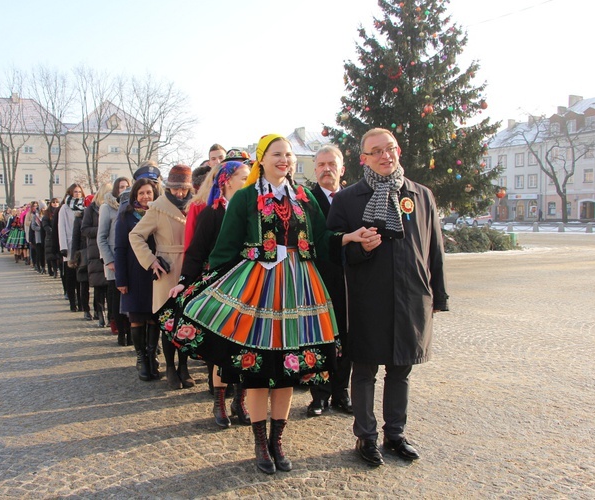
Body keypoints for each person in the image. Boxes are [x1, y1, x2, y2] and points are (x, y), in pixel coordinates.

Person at [171, 134, 373, 474]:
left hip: (299, 290)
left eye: (289, 155)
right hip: (258, 292)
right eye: (277, 154)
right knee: (257, 369)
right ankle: (260, 442)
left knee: (287, 368)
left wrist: (348, 238)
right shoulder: (246, 198)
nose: (285, 160)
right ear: (262, 160)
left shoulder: (304, 197)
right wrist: (196, 285)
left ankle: (278, 439)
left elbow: (322, 241)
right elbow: (225, 249)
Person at [327, 127, 449, 466]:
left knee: (401, 370)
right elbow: (331, 247)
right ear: (363, 158)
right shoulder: (348, 198)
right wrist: (357, 246)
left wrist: (438, 295)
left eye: (390, 148)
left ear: (398, 151)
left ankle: (395, 434)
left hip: (411, 297)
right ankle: (366, 437)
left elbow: (434, 249)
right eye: (376, 151)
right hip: (367, 298)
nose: (385, 155)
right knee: (365, 370)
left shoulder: (420, 195)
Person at [166, 158, 251, 428]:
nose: (247, 182)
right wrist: (184, 281)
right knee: (221, 348)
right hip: (219, 286)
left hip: (248, 286)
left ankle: (241, 399)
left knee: (247, 346)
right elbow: (196, 251)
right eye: (243, 177)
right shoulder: (212, 213)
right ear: (226, 181)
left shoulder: (252, 211)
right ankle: (220, 401)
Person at [129, 164, 194, 390]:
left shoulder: (195, 205)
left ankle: (184, 366)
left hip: (190, 268)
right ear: (168, 187)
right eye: (175, 189)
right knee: (169, 323)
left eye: (183, 189)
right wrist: (151, 260)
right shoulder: (157, 208)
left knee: (188, 322)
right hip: (167, 270)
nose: (179, 193)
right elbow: (135, 235)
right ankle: (169, 367)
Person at [305, 145, 353, 417]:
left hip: (348, 279)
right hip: (317, 278)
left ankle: (341, 392)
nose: (327, 169)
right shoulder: (306, 200)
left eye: (332, 164)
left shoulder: (351, 198)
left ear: (341, 168)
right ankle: (319, 395)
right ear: (315, 169)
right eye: (321, 164)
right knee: (319, 335)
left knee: (346, 335)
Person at [114, 178, 159, 380]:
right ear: (135, 195)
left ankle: (152, 357)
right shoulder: (126, 216)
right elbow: (120, 249)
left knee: (153, 316)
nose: (145, 196)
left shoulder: (159, 213)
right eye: (141, 193)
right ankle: (141, 358)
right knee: (136, 318)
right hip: (133, 273)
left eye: (148, 192)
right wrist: (121, 279)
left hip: (156, 273)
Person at [98, 177, 133, 340]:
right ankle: (120, 331)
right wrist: (109, 260)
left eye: (127, 186)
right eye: (121, 187)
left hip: (129, 258)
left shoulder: (133, 207)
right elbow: (101, 237)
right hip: (113, 258)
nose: (124, 189)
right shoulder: (107, 208)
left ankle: (131, 331)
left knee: (129, 295)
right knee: (115, 295)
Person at [82, 184, 111, 328]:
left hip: (109, 248)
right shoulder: (91, 208)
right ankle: (100, 313)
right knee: (99, 285)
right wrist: (101, 229)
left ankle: (111, 316)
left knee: (110, 285)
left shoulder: (113, 207)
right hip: (95, 250)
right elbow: (85, 229)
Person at [59, 183, 85, 312]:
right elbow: (61, 227)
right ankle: (72, 302)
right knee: (70, 276)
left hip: (80, 245)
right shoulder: (65, 207)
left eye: (79, 192)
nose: (77, 194)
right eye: (75, 191)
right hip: (69, 244)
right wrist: (63, 246)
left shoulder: (84, 206)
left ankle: (81, 301)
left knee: (80, 275)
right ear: (70, 193)